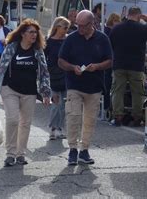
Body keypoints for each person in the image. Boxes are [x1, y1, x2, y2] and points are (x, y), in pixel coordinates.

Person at [0, 19, 52, 167]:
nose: (34, 35)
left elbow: (44, 73)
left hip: (29, 91)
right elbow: (1, 69)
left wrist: (46, 93)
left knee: (25, 123)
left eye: (36, 33)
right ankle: (10, 153)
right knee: (12, 119)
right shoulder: (12, 48)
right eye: (31, 32)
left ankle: (20, 154)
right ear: (23, 33)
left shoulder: (38, 51)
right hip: (9, 88)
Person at [58, 10, 112, 165]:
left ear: (92, 23)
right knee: (73, 117)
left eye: (83, 26)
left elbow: (110, 61)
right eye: (78, 25)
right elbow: (61, 61)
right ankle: (73, 150)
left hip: (94, 86)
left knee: (89, 120)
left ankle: (84, 150)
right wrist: (72, 67)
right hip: (74, 84)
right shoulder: (71, 39)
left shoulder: (102, 39)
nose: (79, 29)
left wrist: (97, 66)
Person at [109, 7, 147, 127]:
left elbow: (110, 43)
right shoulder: (142, 28)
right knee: (137, 92)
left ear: (128, 14)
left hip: (119, 64)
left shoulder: (117, 28)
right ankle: (137, 118)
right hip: (136, 65)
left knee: (117, 91)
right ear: (139, 16)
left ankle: (117, 117)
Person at [45, 17, 70, 140]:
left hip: (66, 74)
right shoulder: (49, 42)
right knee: (56, 103)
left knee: (64, 104)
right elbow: (44, 59)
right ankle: (53, 128)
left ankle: (59, 127)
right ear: (57, 27)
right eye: (64, 27)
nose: (66, 30)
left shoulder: (68, 40)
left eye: (67, 28)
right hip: (53, 75)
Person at [103, 13, 122, 113]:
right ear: (113, 21)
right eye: (117, 21)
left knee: (109, 84)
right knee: (108, 84)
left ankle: (107, 105)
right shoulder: (109, 32)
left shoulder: (108, 31)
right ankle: (106, 106)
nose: (118, 23)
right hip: (109, 60)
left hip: (110, 60)